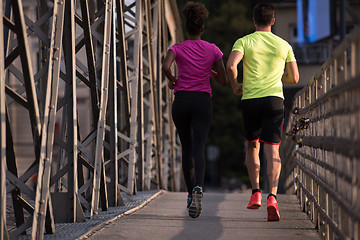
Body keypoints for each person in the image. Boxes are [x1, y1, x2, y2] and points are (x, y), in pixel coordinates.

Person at [226, 2, 299, 221]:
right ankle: (273, 197)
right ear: (273, 21)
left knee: (252, 145)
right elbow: (294, 78)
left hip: (251, 101)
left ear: (254, 20)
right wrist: (279, 77)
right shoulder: (284, 45)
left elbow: (230, 66)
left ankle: (256, 192)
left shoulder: (244, 41)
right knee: (273, 150)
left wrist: (235, 85)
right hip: (275, 101)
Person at [162, 1, 227, 218]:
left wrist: (173, 80)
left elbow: (165, 66)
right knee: (199, 147)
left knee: (186, 148)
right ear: (202, 27)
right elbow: (223, 80)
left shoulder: (177, 48)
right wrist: (209, 72)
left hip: (181, 101)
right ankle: (199, 187)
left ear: (187, 26)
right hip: (202, 101)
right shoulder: (213, 50)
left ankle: (190, 194)